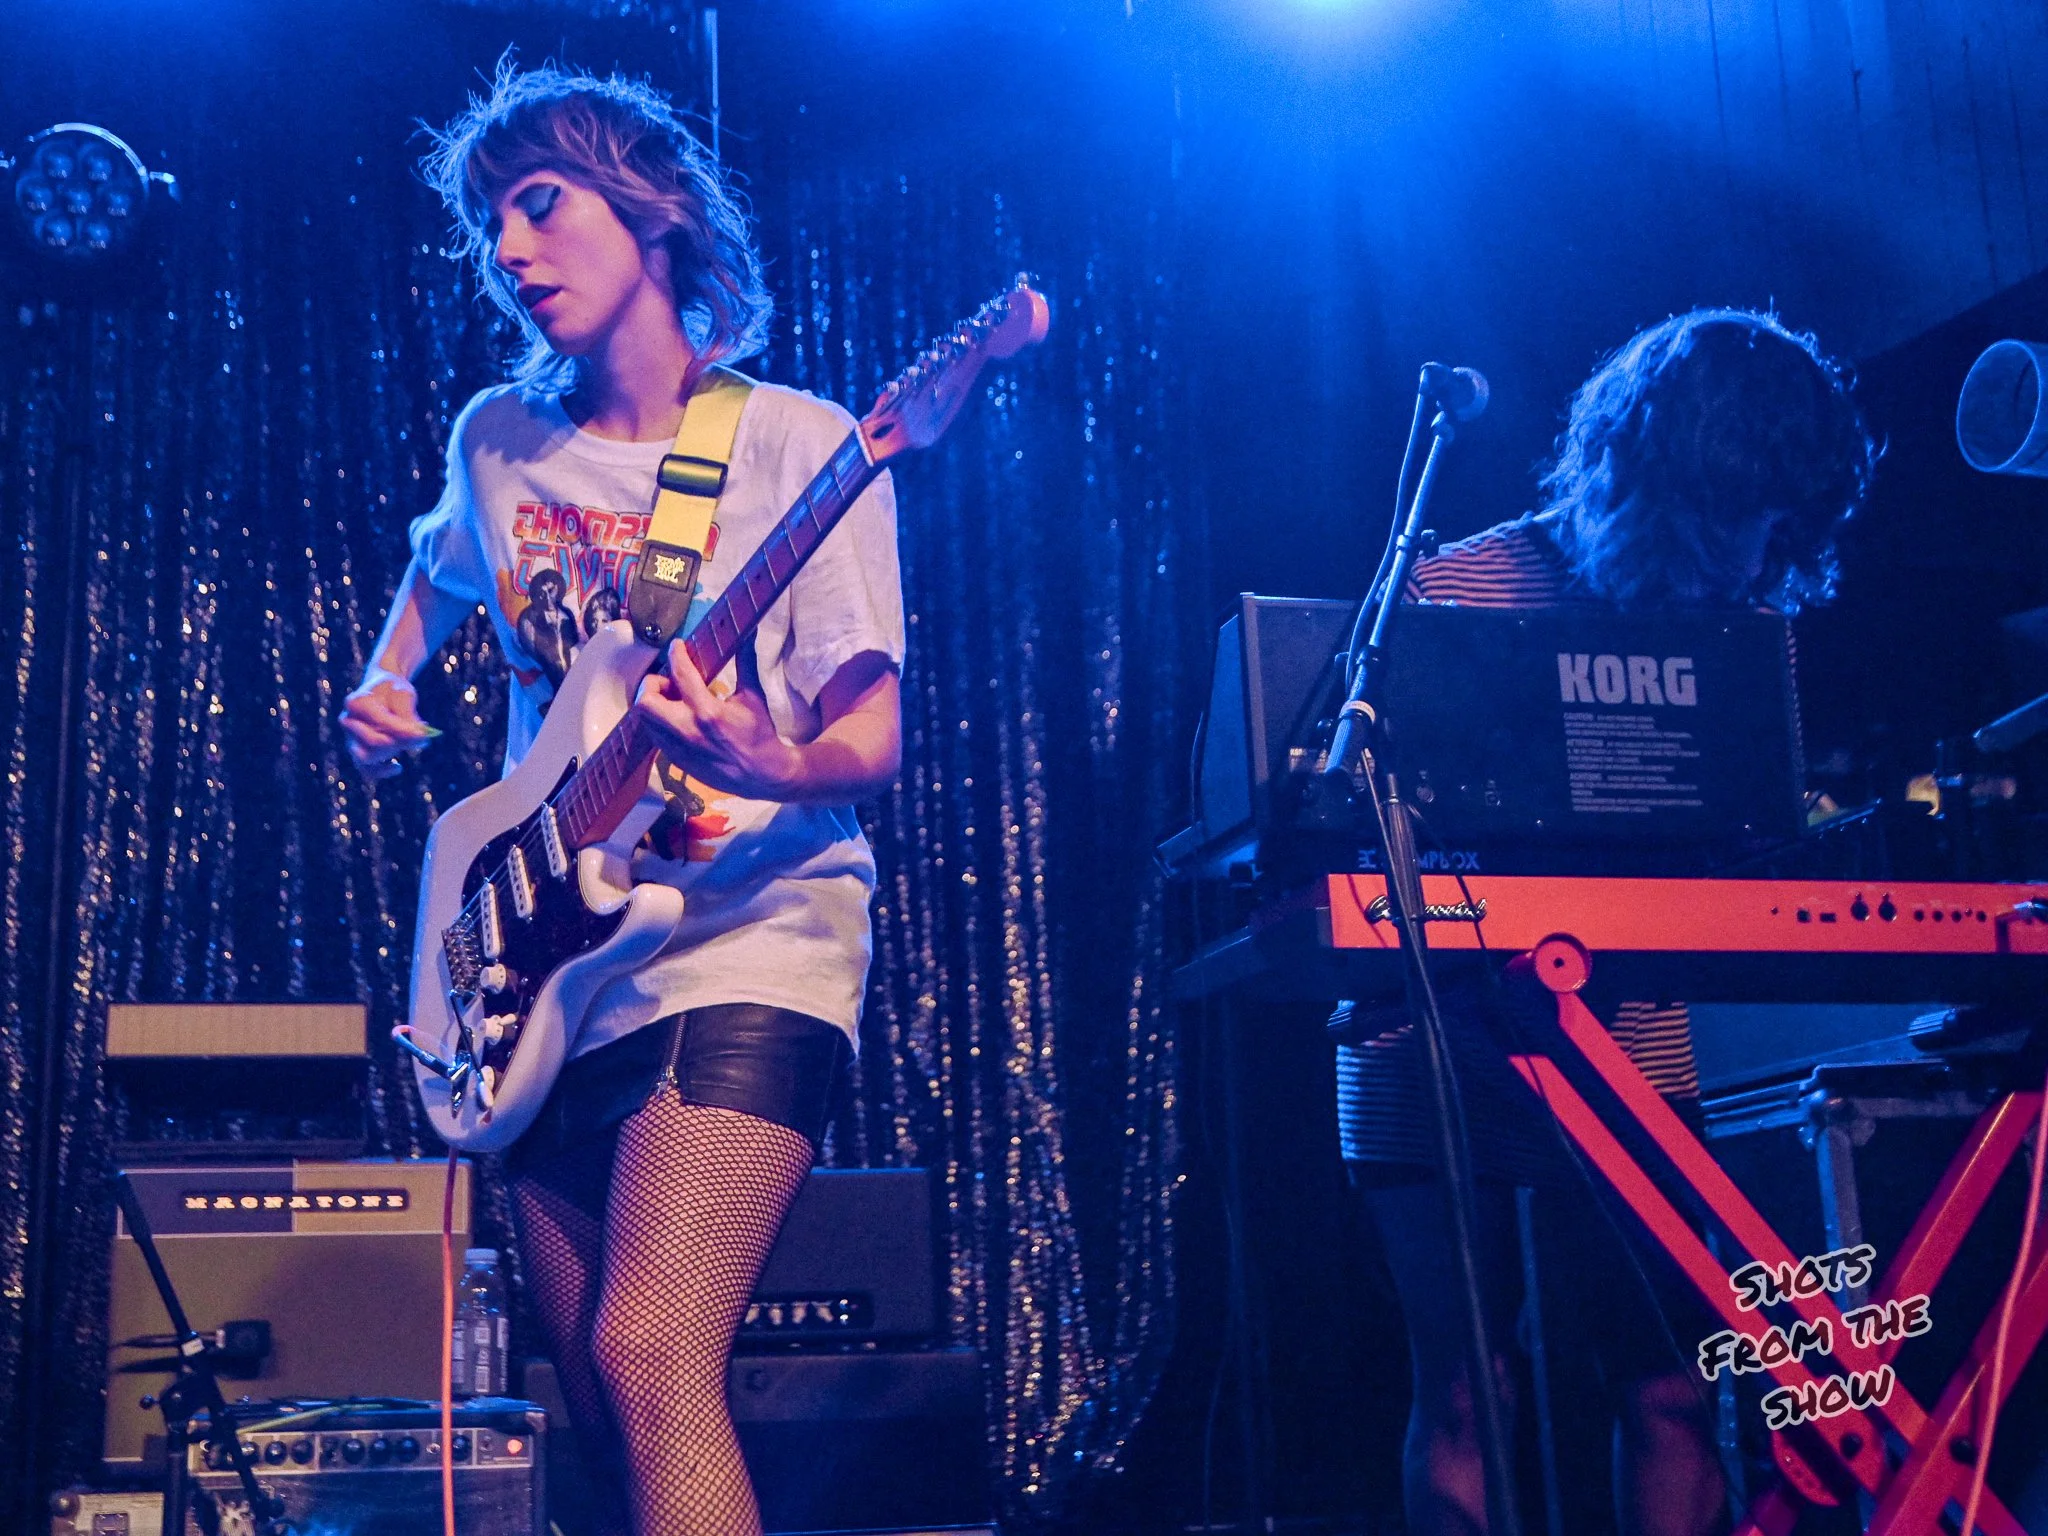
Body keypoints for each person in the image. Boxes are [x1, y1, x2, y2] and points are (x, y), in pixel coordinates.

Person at [338, 62, 905, 1536]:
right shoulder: (498, 442)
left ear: (652, 209)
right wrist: (388, 683)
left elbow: (870, 740)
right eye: (490, 227)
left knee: (652, 1354)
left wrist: (769, 762)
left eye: (540, 205)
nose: (509, 253)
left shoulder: (796, 443)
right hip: (545, 965)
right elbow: (435, 572)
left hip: (750, 937)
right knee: (599, 1406)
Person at [1338, 308, 1877, 1536]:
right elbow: (1367, 835)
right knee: (1467, 1390)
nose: (1750, 556)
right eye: (1729, 520)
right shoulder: (1453, 590)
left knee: (1671, 1383)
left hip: (1629, 1041)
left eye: (1773, 528)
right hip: (1433, 1038)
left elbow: (1741, 845)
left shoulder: (1735, 630)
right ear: (1653, 481)